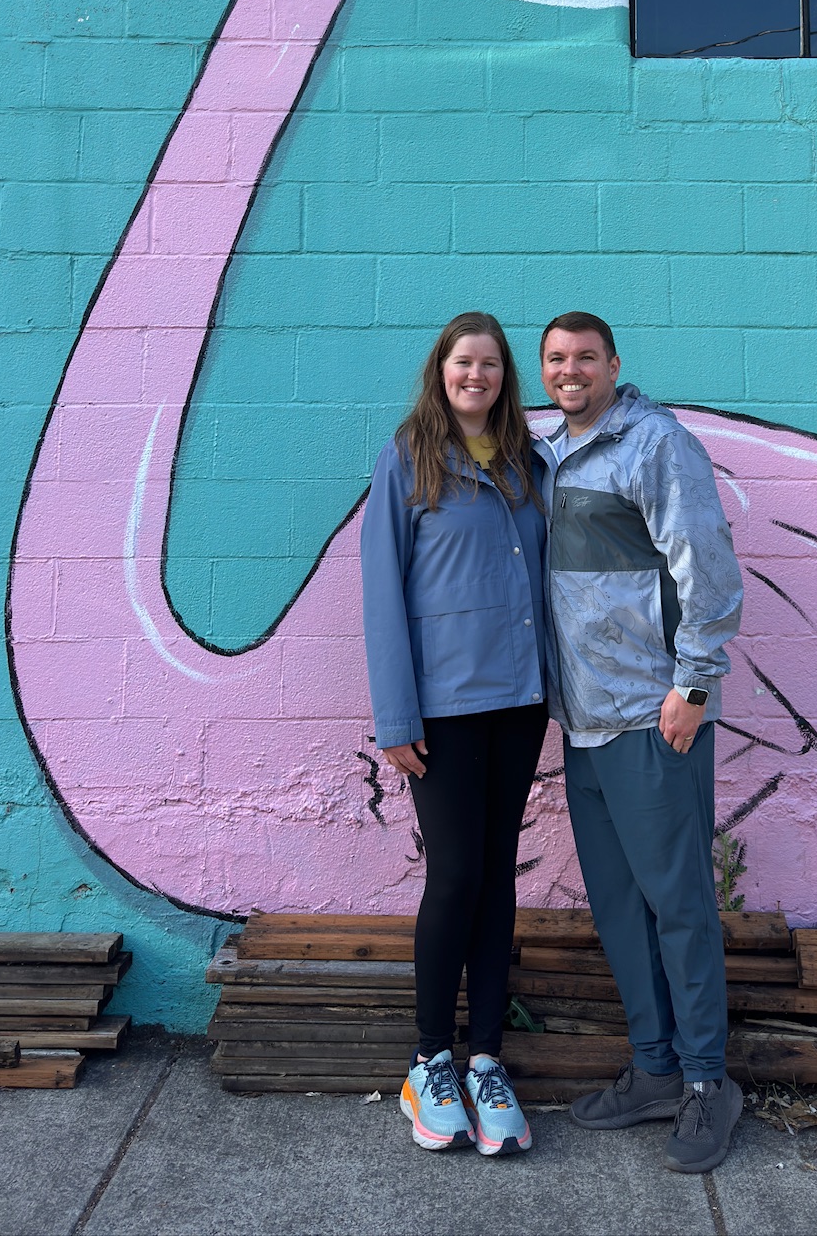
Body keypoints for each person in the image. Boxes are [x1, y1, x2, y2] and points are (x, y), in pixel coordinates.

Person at [535, 311, 745, 1175]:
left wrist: (692, 687)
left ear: (614, 364)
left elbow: (708, 567)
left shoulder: (655, 444)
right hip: (581, 723)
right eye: (556, 358)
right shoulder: (549, 454)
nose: (570, 370)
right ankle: (655, 1069)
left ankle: (706, 1082)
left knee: (679, 905)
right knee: (620, 908)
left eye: (585, 357)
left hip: (652, 718)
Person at [361, 311, 550, 1158]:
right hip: (442, 709)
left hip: (521, 702)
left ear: (506, 378)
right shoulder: (409, 459)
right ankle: (429, 1059)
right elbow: (381, 594)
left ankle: (485, 1060)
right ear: (440, 371)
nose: (476, 375)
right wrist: (396, 717)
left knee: (498, 875)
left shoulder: (527, 462)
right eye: (462, 362)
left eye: (490, 364)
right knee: (456, 875)